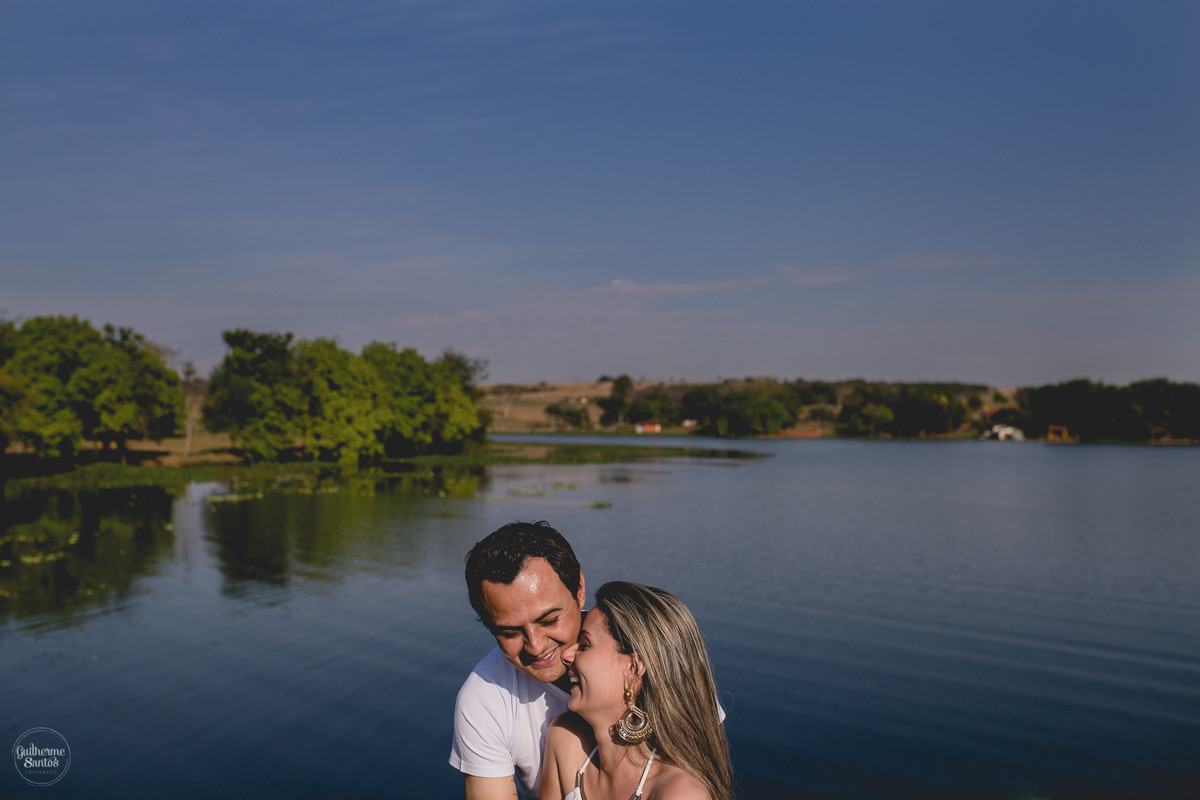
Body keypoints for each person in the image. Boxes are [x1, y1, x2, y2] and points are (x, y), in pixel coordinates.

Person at [539, 582, 731, 800]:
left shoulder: (679, 793)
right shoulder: (565, 739)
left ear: (633, 670)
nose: (567, 656)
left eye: (584, 645)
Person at [450, 521, 588, 800]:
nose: (536, 647)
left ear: (580, 589)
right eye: (510, 632)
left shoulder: (643, 656)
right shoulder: (483, 699)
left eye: (549, 619)